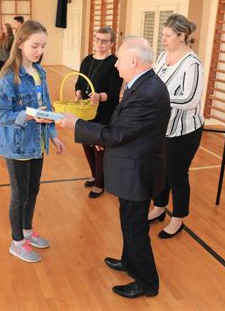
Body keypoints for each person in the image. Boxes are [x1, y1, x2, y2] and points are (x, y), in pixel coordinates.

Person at [56, 37, 170, 299]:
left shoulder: (148, 92)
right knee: (129, 221)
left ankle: (146, 282)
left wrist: (78, 125)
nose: (116, 64)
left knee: (135, 228)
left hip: (138, 172)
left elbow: (118, 134)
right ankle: (130, 262)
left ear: (133, 60)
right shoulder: (140, 84)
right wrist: (101, 136)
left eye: (119, 59)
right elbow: (124, 128)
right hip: (133, 166)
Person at [0, 20, 65, 263]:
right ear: (21, 43)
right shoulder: (8, 78)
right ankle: (17, 242)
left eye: (43, 47)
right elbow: (1, 115)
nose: (39, 51)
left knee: (33, 190)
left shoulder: (40, 72)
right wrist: (28, 114)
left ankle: (27, 231)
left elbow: (47, 106)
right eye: (35, 46)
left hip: (37, 142)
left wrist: (53, 135)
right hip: (16, 145)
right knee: (20, 193)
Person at [147, 14, 204, 239]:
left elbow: (190, 100)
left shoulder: (192, 64)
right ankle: (159, 207)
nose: (163, 39)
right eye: (163, 35)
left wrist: (159, 98)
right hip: (162, 127)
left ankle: (178, 218)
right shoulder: (163, 56)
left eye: (167, 35)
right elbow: (154, 81)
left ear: (181, 36)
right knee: (160, 171)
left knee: (176, 174)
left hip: (184, 131)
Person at [75, 27, 122, 198]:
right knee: (86, 144)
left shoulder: (114, 63)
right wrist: (78, 92)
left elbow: (114, 92)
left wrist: (99, 97)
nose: (100, 44)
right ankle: (95, 175)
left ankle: (101, 184)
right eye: (97, 39)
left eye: (104, 41)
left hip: (103, 112)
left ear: (111, 43)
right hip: (86, 110)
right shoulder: (87, 60)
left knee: (99, 149)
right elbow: (79, 82)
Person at [0, 23, 14, 94]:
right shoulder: (2, 37)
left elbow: (12, 50)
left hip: (6, 60)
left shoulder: (12, 38)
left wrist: (11, 60)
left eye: (5, 28)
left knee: (6, 75)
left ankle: (6, 88)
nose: (3, 29)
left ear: (8, 29)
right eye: (3, 28)